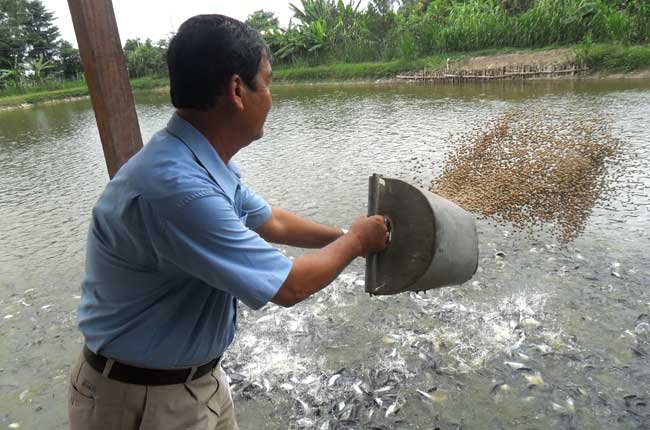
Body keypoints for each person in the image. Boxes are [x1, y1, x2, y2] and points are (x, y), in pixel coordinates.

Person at [68, 14, 388, 430]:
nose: (272, 97)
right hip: (142, 400)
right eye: (268, 81)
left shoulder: (199, 160)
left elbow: (272, 221)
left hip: (194, 381)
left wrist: (346, 235)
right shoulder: (179, 190)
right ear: (237, 90)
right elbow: (289, 287)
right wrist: (358, 243)